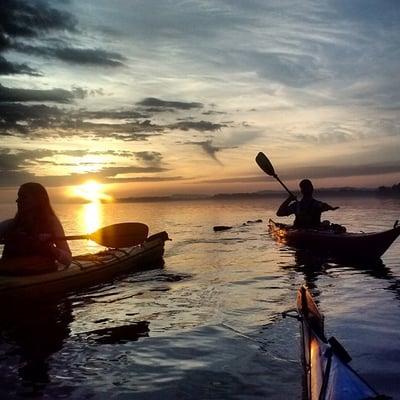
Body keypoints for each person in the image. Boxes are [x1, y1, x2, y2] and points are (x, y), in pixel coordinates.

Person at [0, 182, 72, 271]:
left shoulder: (51, 223)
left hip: (39, 275)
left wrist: (51, 249)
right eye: (19, 197)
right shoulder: (10, 225)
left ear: (37, 200)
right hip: (9, 274)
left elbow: (68, 260)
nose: (17, 200)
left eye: (23, 197)